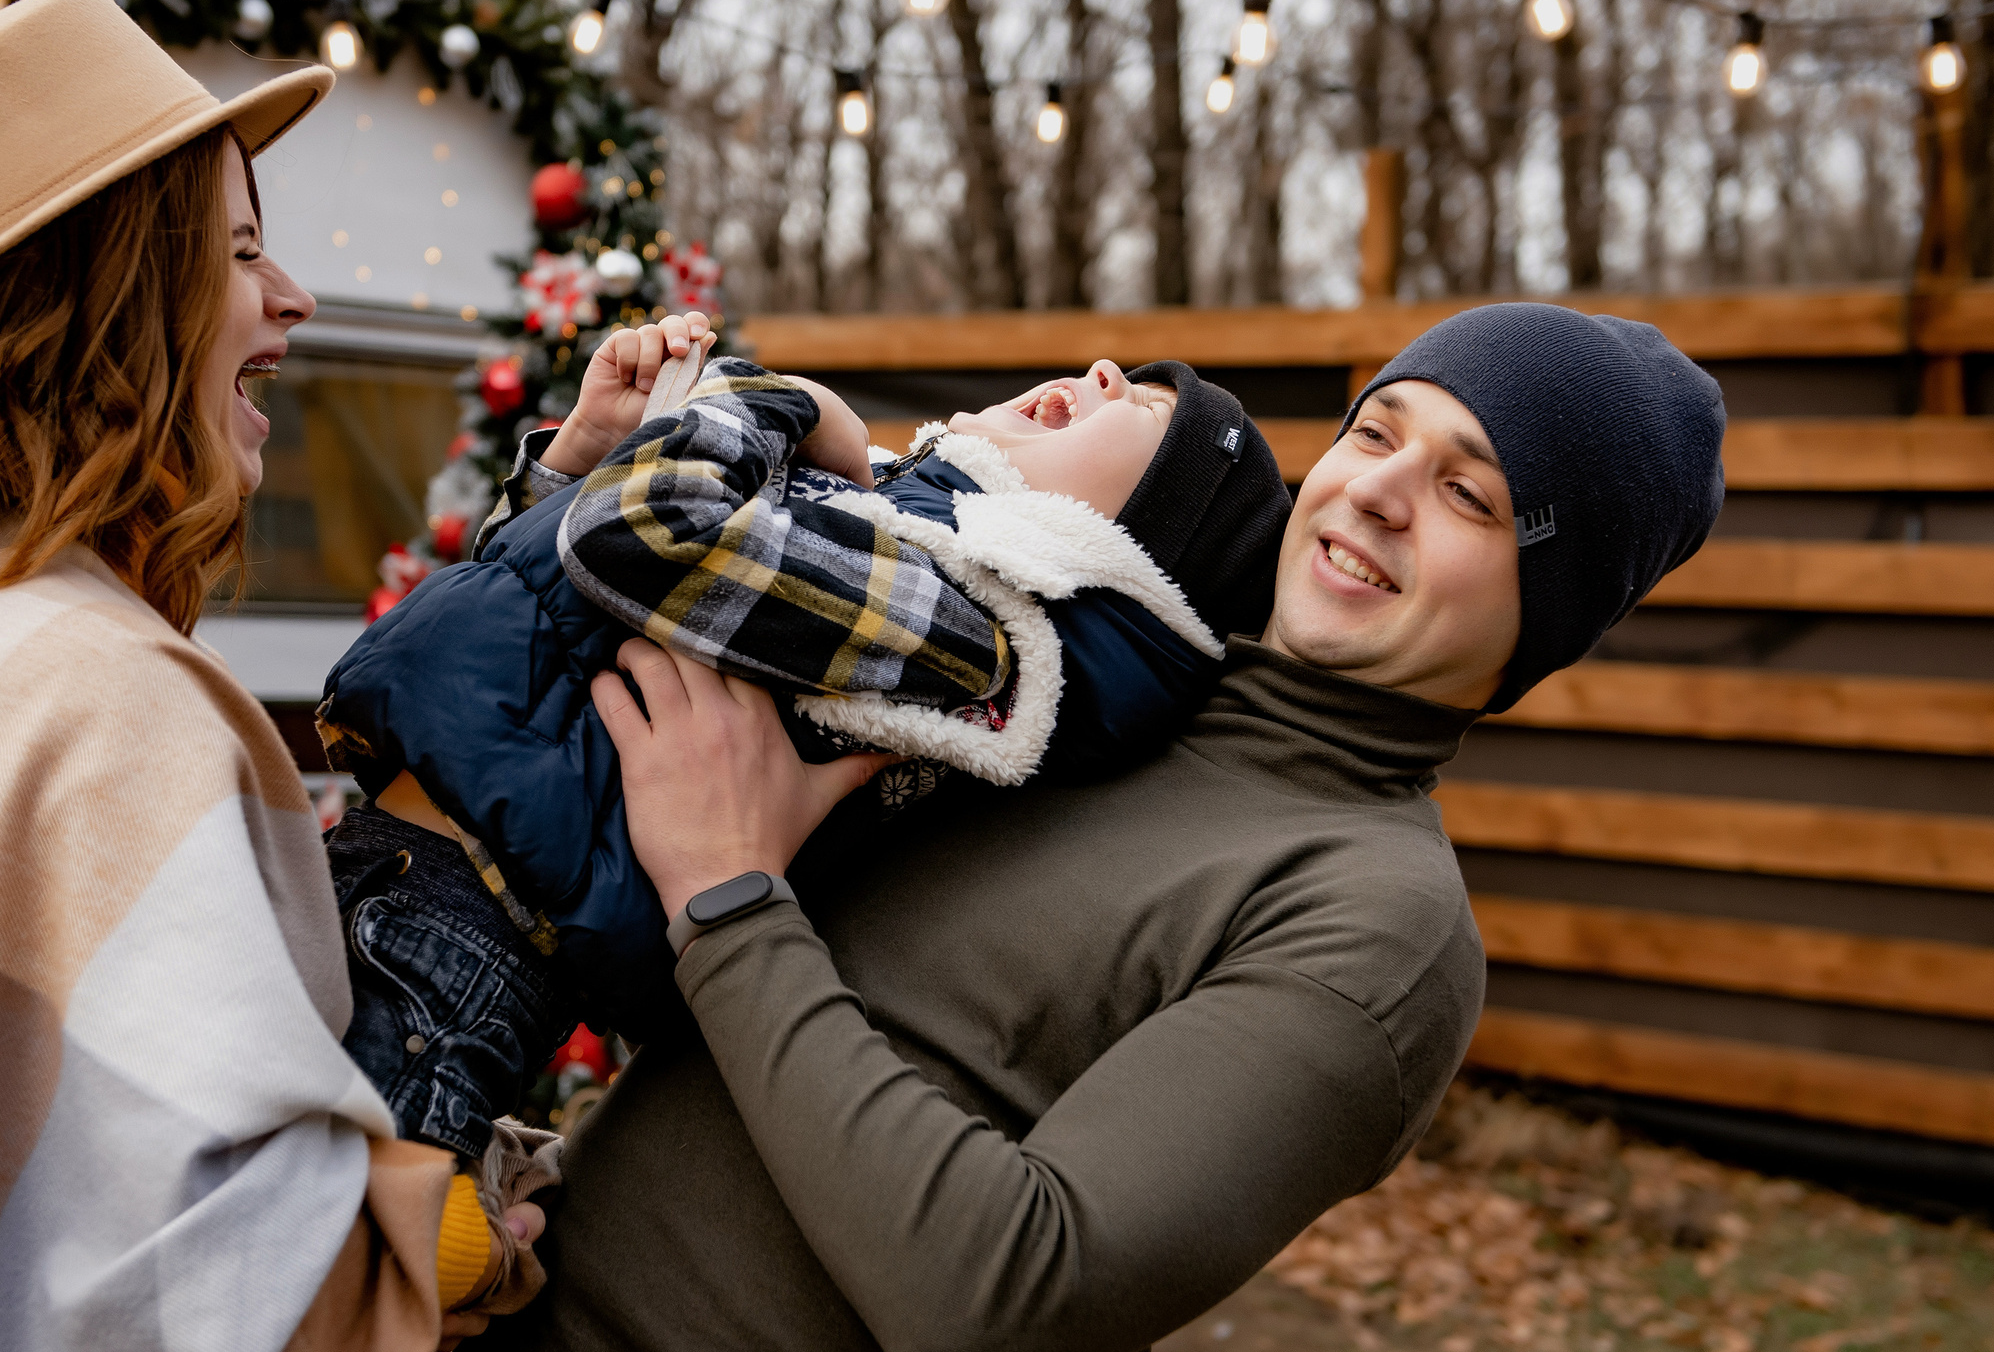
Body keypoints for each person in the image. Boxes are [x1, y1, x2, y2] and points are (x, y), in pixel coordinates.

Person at [388, 302, 1727, 1352]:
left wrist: (732, 897)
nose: (1378, 489)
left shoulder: (1374, 919)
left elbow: (993, 1305)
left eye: (1467, 493)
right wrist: (578, 482)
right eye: (1377, 431)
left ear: (1543, 612)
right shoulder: (1076, 672)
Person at [0, 0, 541, 1352]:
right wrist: (458, 1242)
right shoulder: (117, 697)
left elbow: (61, 1174)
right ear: (112, 300)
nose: (293, 298)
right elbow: (220, 1257)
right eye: (240, 254)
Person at [311, 320, 1289, 1159]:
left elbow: (645, 531)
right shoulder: (891, 521)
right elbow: (549, 624)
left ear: (1130, 553)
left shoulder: (971, 623)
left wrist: (781, 399)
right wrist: (580, 458)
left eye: (1151, 415)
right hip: (397, 870)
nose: (1111, 371)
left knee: (290, 1249)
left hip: (449, 932)